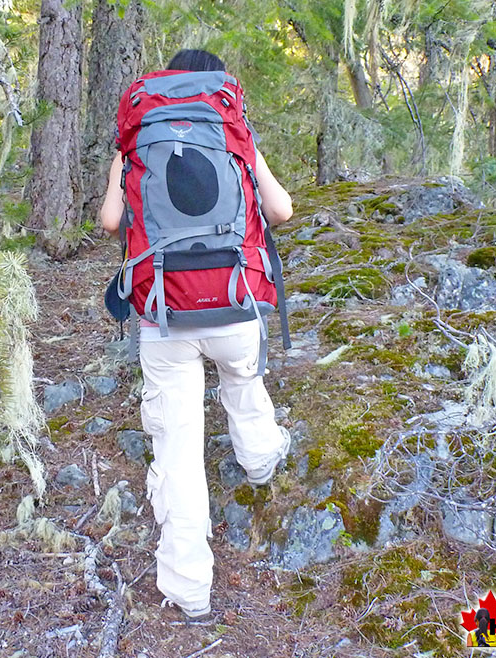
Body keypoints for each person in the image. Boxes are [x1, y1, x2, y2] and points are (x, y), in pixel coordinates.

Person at [97, 49, 294, 619]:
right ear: (216, 83)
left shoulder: (138, 139)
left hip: (165, 312)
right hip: (235, 299)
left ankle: (189, 588)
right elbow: (280, 210)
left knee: (178, 448)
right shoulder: (231, 129)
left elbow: (111, 222)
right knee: (241, 376)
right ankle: (259, 457)